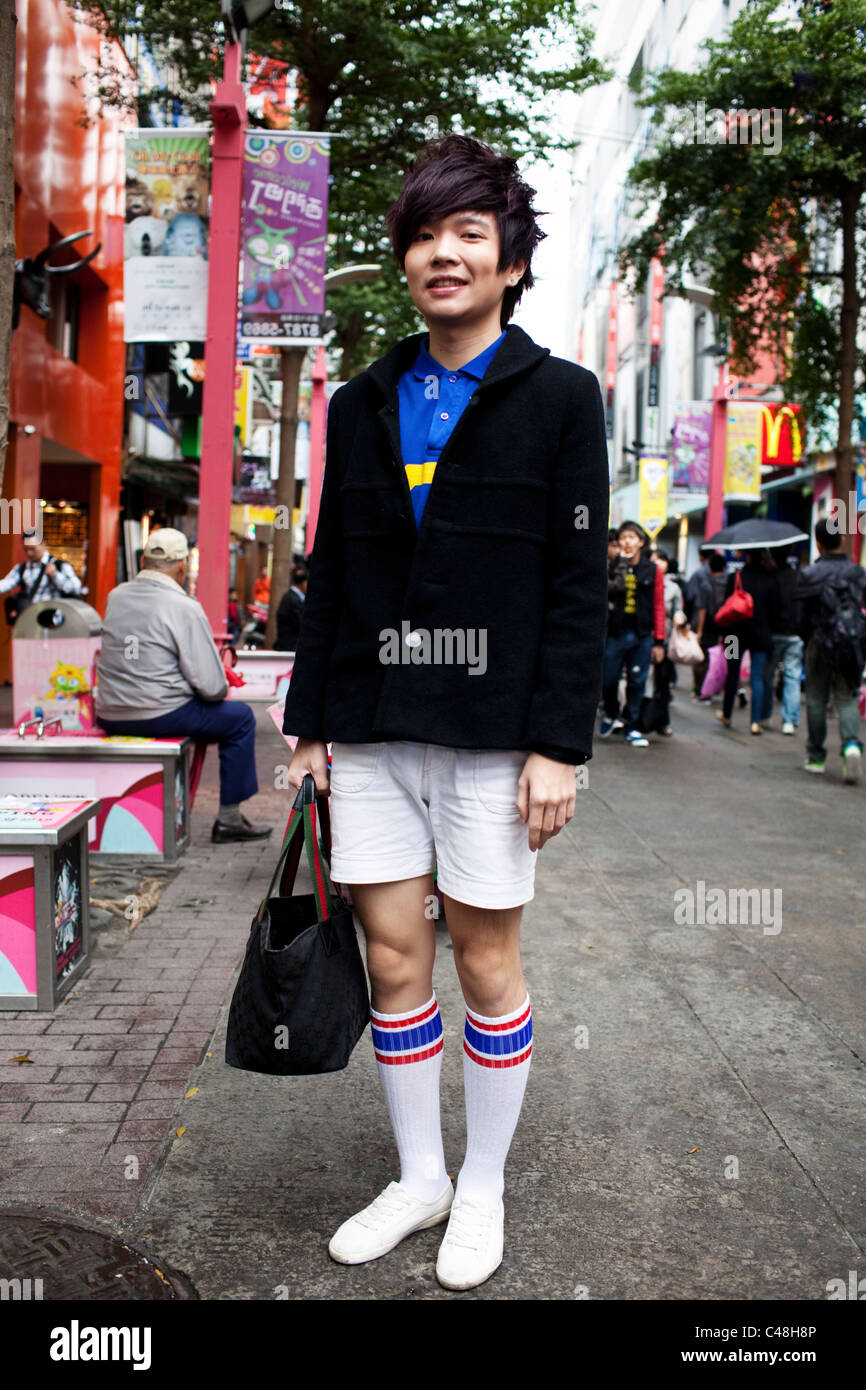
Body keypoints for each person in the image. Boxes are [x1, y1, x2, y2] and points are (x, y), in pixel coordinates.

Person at [281, 134, 608, 1291]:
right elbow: (332, 568)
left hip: (489, 737)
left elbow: (578, 590)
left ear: (509, 259)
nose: (442, 253)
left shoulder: (562, 399)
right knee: (391, 955)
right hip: (369, 727)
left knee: (484, 961)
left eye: (468, 232)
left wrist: (557, 745)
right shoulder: (362, 402)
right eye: (423, 233)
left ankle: (482, 1185)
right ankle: (419, 1175)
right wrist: (308, 725)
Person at [94, 528, 273, 843]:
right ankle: (229, 818)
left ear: (142, 561)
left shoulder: (115, 596)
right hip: (159, 714)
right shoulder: (184, 607)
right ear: (181, 566)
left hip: (109, 712)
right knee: (241, 718)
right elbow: (212, 687)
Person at [797, 517, 866, 781]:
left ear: (818, 543)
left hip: (820, 642)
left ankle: (816, 757)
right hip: (852, 643)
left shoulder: (809, 574)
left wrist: (808, 638)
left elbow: (799, 616)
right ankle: (851, 746)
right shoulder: (858, 573)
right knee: (847, 697)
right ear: (843, 540)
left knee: (816, 699)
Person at [600, 521, 666, 746]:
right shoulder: (610, 567)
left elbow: (658, 605)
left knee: (637, 681)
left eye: (631, 537)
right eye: (623, 538)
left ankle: (633, 725)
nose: (627, 542)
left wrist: (659, 641)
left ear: (641, 542)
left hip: (642, 635)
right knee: (608, 679)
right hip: (615, 634)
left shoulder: (652, 570)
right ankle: (611, 712)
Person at [715, 549, 780, 734]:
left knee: (732, 673)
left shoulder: (736, 578)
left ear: (748, 556)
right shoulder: (770, 579)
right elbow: (775, 610)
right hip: (760, 635)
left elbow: (726, 606)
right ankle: (755, 722)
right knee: (757, 677)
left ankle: (727, 714)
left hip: (734, 635)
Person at [761, 545, 803, 734]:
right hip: (795, 633)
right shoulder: (798, 577)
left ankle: (765, 715)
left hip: (774, 633)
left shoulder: (770, 577)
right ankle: (789, 721)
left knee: (767, 676)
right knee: (792, 677)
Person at [0, 528, 82, 620]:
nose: (29, 553)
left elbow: (76, 588)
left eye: (32, 549)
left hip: (56, 621)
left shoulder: (59, 566)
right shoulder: (22, 568)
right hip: (31, 619)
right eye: (26, 549)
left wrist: (55, 575)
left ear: (43, 543)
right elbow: (6, 583)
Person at [274, 563, 308, 651]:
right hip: (290, 647)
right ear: (303, 583)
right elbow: (301, 624)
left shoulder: (290, 597)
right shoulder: (293, 600)